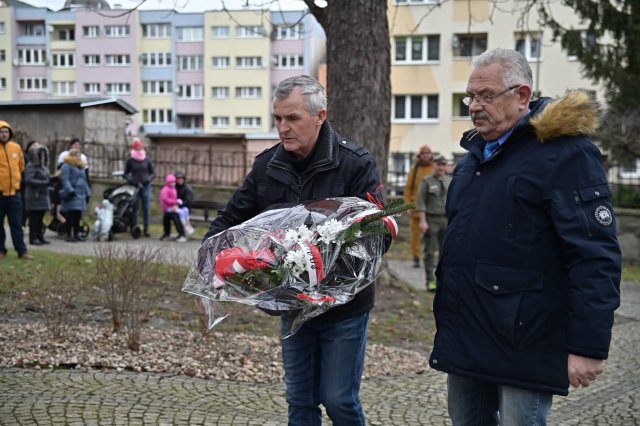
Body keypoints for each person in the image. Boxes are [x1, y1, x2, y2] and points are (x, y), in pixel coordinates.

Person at [429, 48, 621, 424]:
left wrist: (588, 345)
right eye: (470, 96)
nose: (474, 106)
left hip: (526, 339)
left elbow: (595, 255)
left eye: (486, 96)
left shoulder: (565, 154)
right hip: (468, 334)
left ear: (522, 95)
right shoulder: (472, 161)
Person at [204, 75, 382, 426]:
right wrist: (209, 260)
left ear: (320, 116)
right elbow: (231, 218)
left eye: (293, 118)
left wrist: (330, 267)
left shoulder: (355, 163)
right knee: (299, 402)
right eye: (278, 119)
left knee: (339, 401)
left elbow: (378, 232)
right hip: (290, 305)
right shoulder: (267, 165)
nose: (283, 128)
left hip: (343, 308)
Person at [416, 155, 450, 292]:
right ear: (434, 165)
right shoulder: (427, 181)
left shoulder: (450, 180)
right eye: (438, 164)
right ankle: (430, 281)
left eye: (443, 164)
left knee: (446, 253)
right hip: (431, 220)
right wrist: (423, 221)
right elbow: (421, 202)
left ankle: (443, 281)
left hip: (446, 220)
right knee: (430, 252)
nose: (441, 167)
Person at [0, 120, 33, 260]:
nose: (4, 134)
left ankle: (22, 251)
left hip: (14, 194)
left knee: (17, 224)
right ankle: (1, 251)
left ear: (10, 133)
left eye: (6, 132)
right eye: (1, 132)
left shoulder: (16, 148)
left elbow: (21, 167)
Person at [403, 145, 434, 268]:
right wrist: (407, 206)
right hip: (416, 207)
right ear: (420, 155)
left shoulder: (434, 168)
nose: (426, 155)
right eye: (423, 153)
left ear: (431, 155)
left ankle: (429, 257)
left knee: (432, 236)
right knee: (415, 235)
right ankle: (416, 257)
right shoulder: (414, 169)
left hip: (431, 209)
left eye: (428, 153)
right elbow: (408, 189)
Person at [124, 138, 155, 237]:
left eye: (140, 147)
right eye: (136, 147)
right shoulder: (131, 160)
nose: (138, 149)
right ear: (134, 148)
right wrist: (132, 181)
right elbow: (125, 174)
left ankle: (146, 228)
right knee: (135, 207)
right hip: (135, 187)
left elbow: (153, 173)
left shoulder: (147, 159)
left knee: (146, 207)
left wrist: (148, 180)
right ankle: (135, 227)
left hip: (146, 186)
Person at [59, 148, 91, 242]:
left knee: (78, 216)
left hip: (80, 194)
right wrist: (70, 190)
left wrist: (87, 193)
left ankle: (77, 233)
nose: (79, 157)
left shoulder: (81, 167)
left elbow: (84, 181)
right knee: (70, 215)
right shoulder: (67, 166)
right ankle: (69, 234)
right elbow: (65, 179)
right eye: (77, 155)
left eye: (79, 155)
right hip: (72, 194)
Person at [23, 143, 52, 245]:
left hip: (42, 195)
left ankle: (40, 236)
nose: (42, 157)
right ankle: (33, 237)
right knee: (34, 218)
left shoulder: (42, 167)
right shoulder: (31, 166)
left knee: (40, 217)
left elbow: (46, 178)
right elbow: (29, 180)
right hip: (34, 196)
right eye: (40, 155)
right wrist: (44, 183)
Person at [159, 174, 187, 243]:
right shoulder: (165, 189)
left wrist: (176, 203)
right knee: (167, 220)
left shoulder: (173, 189)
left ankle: (182, 233)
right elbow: (165, 199)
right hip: (168, 209)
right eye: (171, 182)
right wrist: (174, 202)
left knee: (177, 217)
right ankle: (167, 233)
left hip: (172, 208)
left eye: (174, 182)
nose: (173, 183)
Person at [174, 171, 194, 235]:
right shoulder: (174, 188)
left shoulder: (187, 188)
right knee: (167, 215)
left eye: (181, 179)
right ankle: (167, 233)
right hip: (175, 207)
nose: (179, 180)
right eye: (178, 179)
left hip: (185, 208)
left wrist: (179, 205)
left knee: (177, 215)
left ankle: (182, 234)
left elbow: (188, 201)